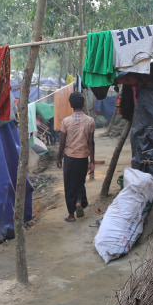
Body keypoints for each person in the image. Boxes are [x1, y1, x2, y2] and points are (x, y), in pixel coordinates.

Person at [57, 92, 95, 222]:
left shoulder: (66, 121)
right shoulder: (90, 121)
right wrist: (92, 161)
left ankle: (71, 215)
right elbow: (91, 142)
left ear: (71, 105)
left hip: (69, 157)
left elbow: (62, 142)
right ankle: (79, 201)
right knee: (80, 182)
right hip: (83, 157)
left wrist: (58, 157)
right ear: (83, 104)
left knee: (69, 185)